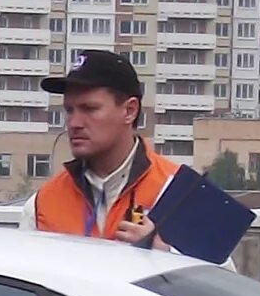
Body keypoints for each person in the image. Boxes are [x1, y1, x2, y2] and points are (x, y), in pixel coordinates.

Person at [29, 48, 180, 246]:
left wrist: (163, 254)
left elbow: (214, 266)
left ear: (130, 111)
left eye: (89, 109)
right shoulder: (43, 202)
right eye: (69, 110)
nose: (74, 123)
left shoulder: (178, 190)